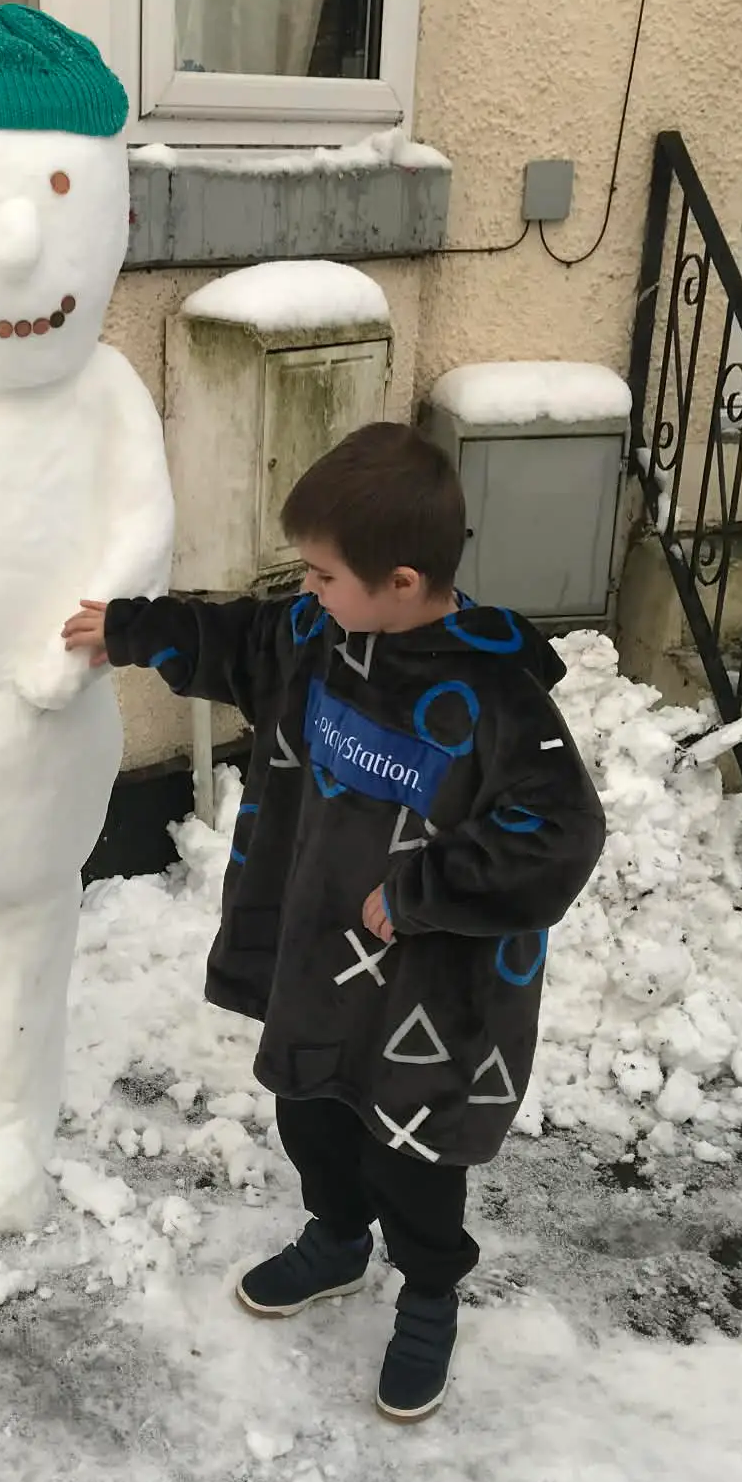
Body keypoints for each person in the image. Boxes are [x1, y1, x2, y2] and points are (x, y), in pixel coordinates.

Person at [62, 422, 605, 1422]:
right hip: (318, 952)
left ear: (402, 581)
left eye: (321, 575)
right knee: (309, 1108)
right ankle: (338, 1239)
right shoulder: (317, 637)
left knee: (413, 1153)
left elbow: (558, 833)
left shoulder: (496, 700)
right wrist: (131, 629)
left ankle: (429, 1292)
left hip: (431, 992)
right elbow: (238, 638)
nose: (305, 591)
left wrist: (422, 890)